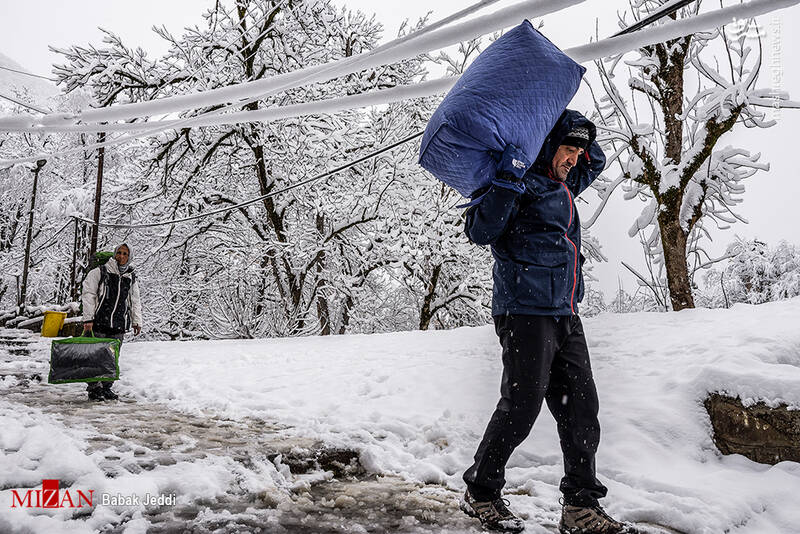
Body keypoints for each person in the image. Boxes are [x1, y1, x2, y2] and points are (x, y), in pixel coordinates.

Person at [459, 110, 634, 534]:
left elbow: (598, 158)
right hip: (524, 311)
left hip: (565, 312)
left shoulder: (565, 184)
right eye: (568, 149)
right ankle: (480, 492)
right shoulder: (517, 181)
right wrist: (506, 179)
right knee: (521, 408)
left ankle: (580, 507)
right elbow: (480, 231)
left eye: (577, 150)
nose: (575, 158)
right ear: (547, 147)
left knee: (582, 410)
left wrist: (562, 118)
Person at [81, 243, 142, 401]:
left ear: (129, 257)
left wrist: (137, 321)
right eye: (119, 253)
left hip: (118, 324)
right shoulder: (101, 271)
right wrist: (88, 318)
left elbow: (134, 300)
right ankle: (94, 388)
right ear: (115, 254)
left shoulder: (130, 276)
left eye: (125, 254)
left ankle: (107, 387)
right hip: (100, 321)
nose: (121, 256)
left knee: (112, 357)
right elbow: (89, 294)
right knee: (96, 356)